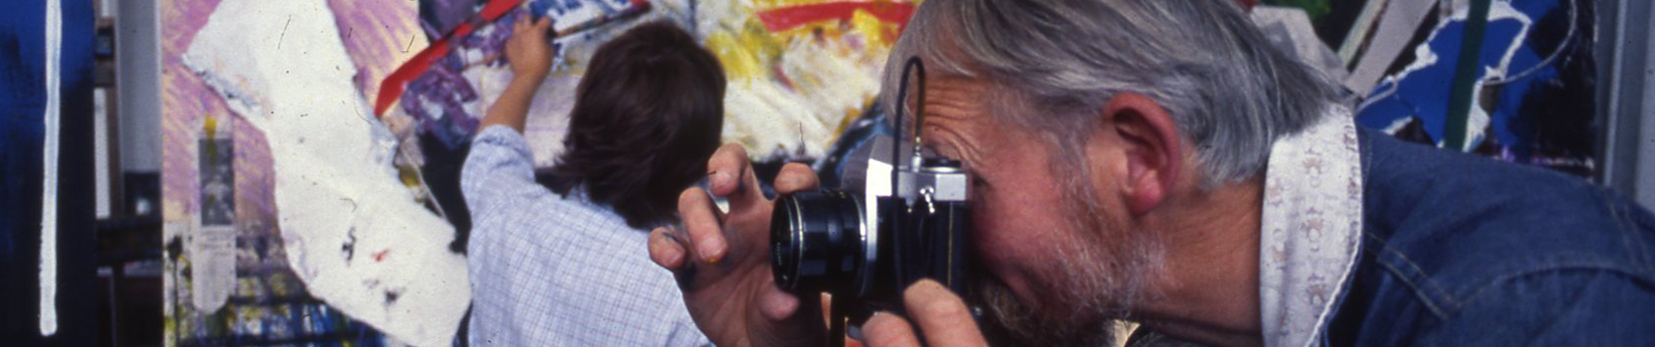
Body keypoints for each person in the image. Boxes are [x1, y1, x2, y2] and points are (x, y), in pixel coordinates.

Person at [646, 0, 1655, 346]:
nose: (932, 226)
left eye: (949, 181)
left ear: (1135, 153)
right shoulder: (1179, 308)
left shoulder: (1538, 312)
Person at [463, 18, 725, 346]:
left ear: (579, 117)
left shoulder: (507, 212)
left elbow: (493, 145)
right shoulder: (691, 312)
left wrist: (527, 75)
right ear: (702, 166)